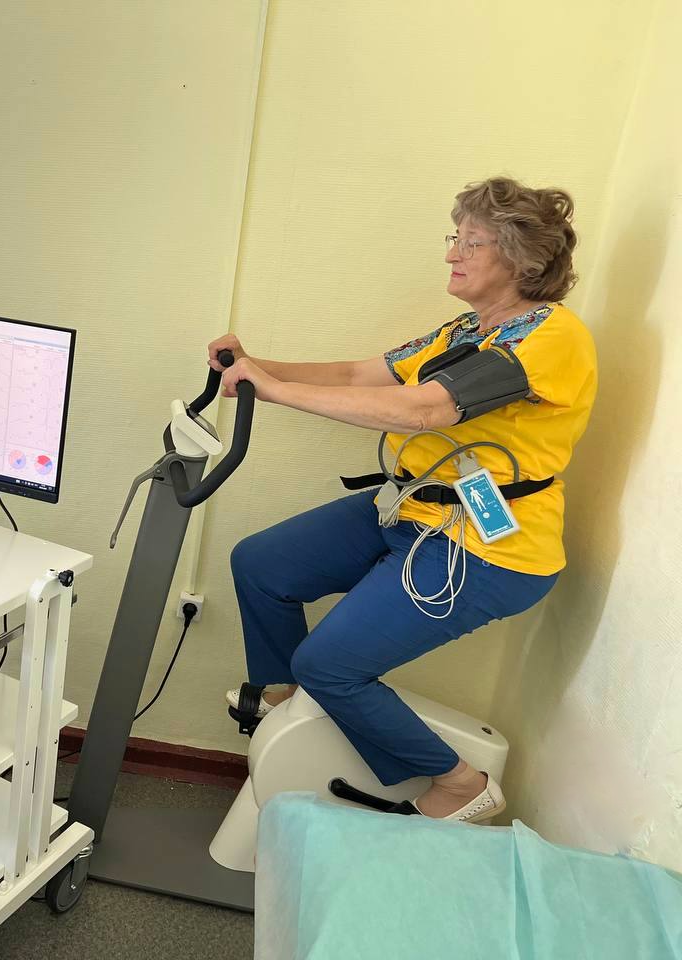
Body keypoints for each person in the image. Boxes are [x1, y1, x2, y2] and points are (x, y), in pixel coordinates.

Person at [213, 177, 597, 822]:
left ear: (521, 258)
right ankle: (293, 701)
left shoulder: (549, 338)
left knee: (330, 664)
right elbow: (362, 375)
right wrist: (259, 365)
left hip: (488, 547)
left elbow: (426, 410)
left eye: (471, 242)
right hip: (413, 507)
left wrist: (273, 391)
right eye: (456, 237)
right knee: (262, 564)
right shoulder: (466, 329)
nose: (452, 253)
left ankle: (459, 783)